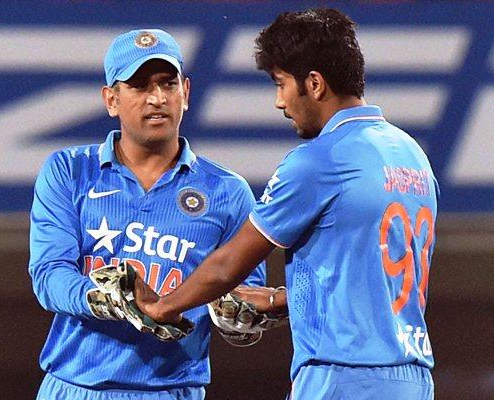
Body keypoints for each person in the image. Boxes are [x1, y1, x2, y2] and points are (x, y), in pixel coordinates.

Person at [137, 9, 439, 400]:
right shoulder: (411, 154)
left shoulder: (319, 159)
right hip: (412, 380)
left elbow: (231, 263)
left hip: (341, 378)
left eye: (281, 84)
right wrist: (282, 300)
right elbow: (370, 272)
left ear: (314, 84)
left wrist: (164, 307)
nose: (280, 102)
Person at [28, 28, 266, 400]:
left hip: (172, 390)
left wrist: (238, 317)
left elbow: (244, 300)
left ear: (184, 93)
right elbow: (49, 275)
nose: (157, 98)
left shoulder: (228, 191)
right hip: (76, 387)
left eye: (167, 83)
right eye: (139, 86)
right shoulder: (69, 170)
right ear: (111, 99)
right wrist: (109, 300)